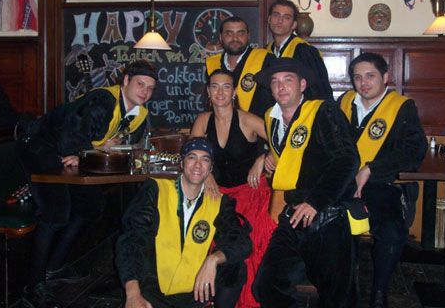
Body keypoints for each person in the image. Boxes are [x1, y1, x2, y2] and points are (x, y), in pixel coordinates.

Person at [16, 60, 158, 308]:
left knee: (91, 205)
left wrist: (89, 153)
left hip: (70, 154)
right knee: (55, 211)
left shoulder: (138, 114)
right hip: (41, 146)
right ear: (125, 80)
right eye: (140, 84)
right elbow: (70, 138)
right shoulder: (102, 100)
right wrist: (84, 154)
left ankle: (55, 267)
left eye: (150, 88)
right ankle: (33, 286)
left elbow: (125, 146)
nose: (145, 92)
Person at [252, 58, 359, 308]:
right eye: (275, 82)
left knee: (338, 298)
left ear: (302, 85)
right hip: (293, 217)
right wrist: (265, 157)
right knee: (266, 286)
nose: (281, 86)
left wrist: (315, 201)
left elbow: (347, 160)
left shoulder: (323, 111)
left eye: (287, 80)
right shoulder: (271, 118)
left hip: (327, 216)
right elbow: (292, 155)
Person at [115, 137, 252, 308]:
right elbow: (130, 240)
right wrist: (133, 293)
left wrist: (213, 259)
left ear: (210, 168)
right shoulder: (156, 190)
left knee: (235, 267)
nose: (198, 165)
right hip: (154, 289)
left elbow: (241, 242)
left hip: (195, 290)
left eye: (205, 159)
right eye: (192, 157)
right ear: (182, 163)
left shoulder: (218, 202)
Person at [337, 52, 427, 308]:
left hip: (380, 184)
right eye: (357, 77)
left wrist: (371, 168)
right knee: (332, 228)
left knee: (392, 232)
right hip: (343, 184)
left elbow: (414, 152)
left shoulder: (401, 107)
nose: (363, 83)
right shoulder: (343, 103)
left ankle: (379, 294)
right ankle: (344, 289)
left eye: (370, 76)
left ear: (386, 77)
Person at [190, 69, 275, 308]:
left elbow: (283, 141)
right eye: (214, 86)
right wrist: (207, 175)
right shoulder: (202, 120)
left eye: (226, 86)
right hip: (217, 195)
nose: (220, 92)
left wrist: (263, 157)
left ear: (234, 92)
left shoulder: (247, 119)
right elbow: (191, 155)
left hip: (251, 193)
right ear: (208, 92)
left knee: (249, 246)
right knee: (206, 240)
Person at [206, 16, 275, 118]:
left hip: (259, 125)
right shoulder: (212, 64)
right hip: (221, 125)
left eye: (240, 33)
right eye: (229, 34)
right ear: (220, 37)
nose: (235, 38)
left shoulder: (266, 59)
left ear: (248, 36)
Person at [266, 0, 333, 101]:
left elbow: (319, 90)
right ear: (269, 19)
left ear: (294, 25)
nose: (280, 20)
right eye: (276, 15)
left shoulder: (305, 51)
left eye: (286, 17)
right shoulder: (266, 51)